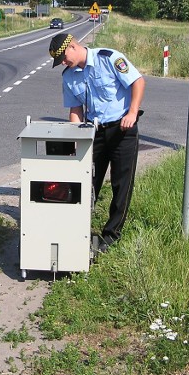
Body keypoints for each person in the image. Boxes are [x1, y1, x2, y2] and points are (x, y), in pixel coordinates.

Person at [48, 33, 146, 251]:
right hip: (94, 132)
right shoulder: (68, 76)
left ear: (73, 46)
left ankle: (111, 235)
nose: (63, 63)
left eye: (63, 57)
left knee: (122, 184)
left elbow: (137, 82)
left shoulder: (109, 58)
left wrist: (132, 112)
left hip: (122, 129)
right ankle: (77, 230)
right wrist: (74, 140)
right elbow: (75, 109)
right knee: (85, 183)